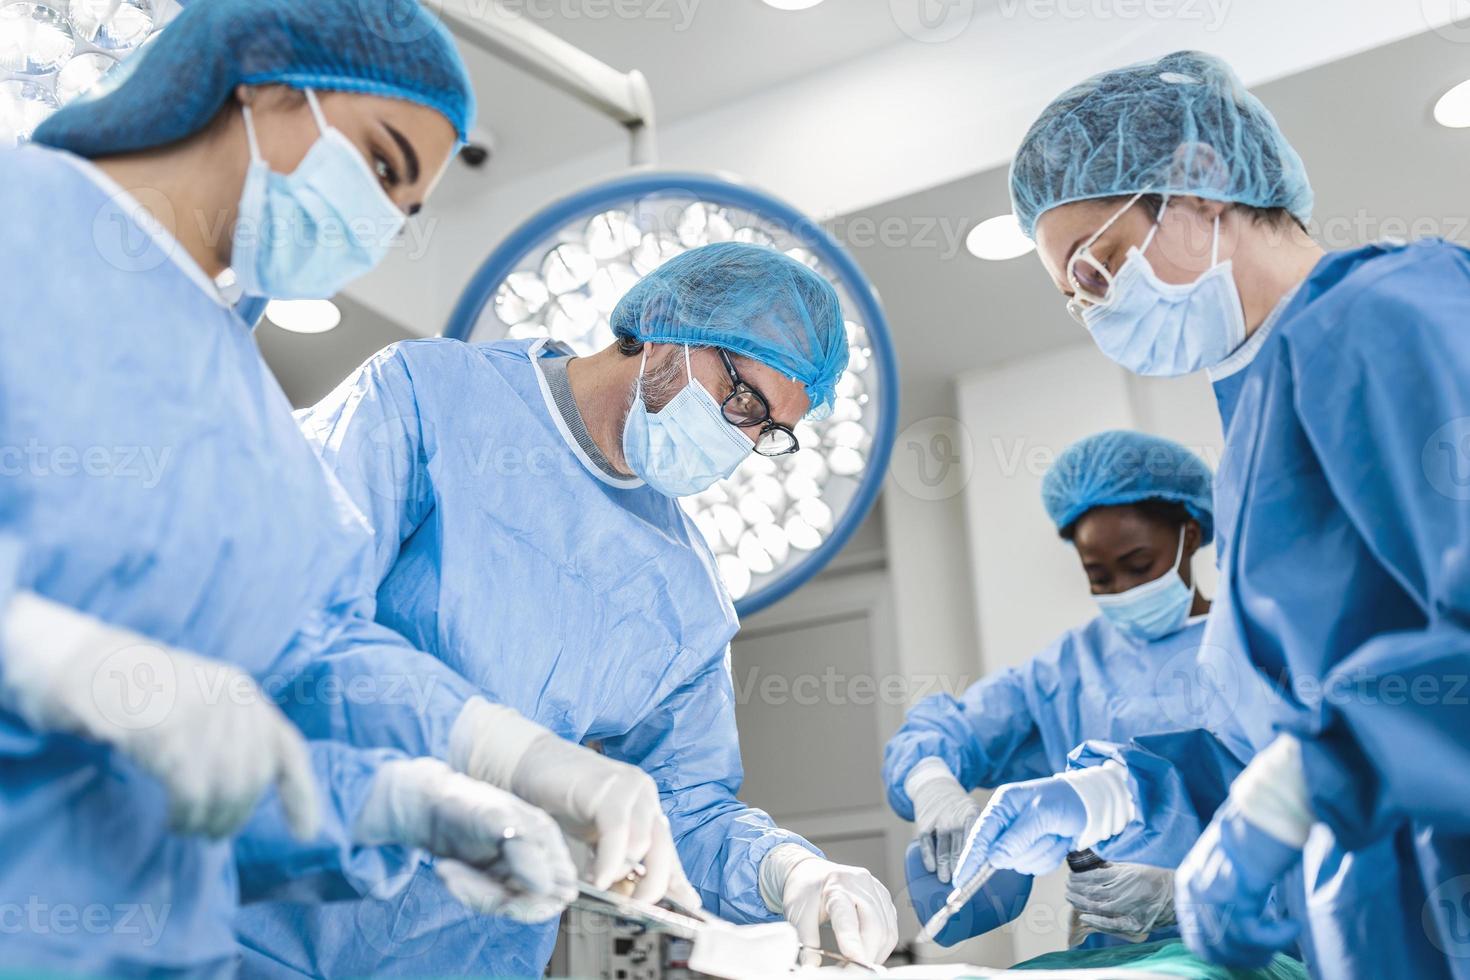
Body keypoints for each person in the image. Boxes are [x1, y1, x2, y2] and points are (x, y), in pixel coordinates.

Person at [0, 2, 579, 973]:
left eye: (404, 213)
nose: (377, 227)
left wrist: (388, 801)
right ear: (266, 82)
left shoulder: (251, 422)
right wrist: (62, 659)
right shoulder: (22, 225)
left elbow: (213, 770)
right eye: (382, 163)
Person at [235, 242, 901, 976]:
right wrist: (512, 756)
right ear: (669, 325)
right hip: (256, 911)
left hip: (467, 955)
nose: (741, 438)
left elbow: (687, 802)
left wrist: (790, 872)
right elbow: (297, 617)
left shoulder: (683, 593)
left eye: (766, 431)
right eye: (742, 397)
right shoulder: (430, 398)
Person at [950, 50, 1470, 979]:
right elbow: (1278, 734)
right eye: (1075, 300)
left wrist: (1305, 779)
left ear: (1196, 192)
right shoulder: (1261, 421)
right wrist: (1104, 795)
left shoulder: (1391, 317)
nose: (1094, 309)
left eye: (1098, 269)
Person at [885, 430, 1226, 945]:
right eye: (1099, 576)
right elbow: (945, 730)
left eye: (1138, 566)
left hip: (1255, 938)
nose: (1122, 589)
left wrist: (1195, 894)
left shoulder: (1255, 649)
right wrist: (933, 783)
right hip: (1108, 950)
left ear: (1190, 536)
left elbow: (1320, 806)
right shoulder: (1070, 668)